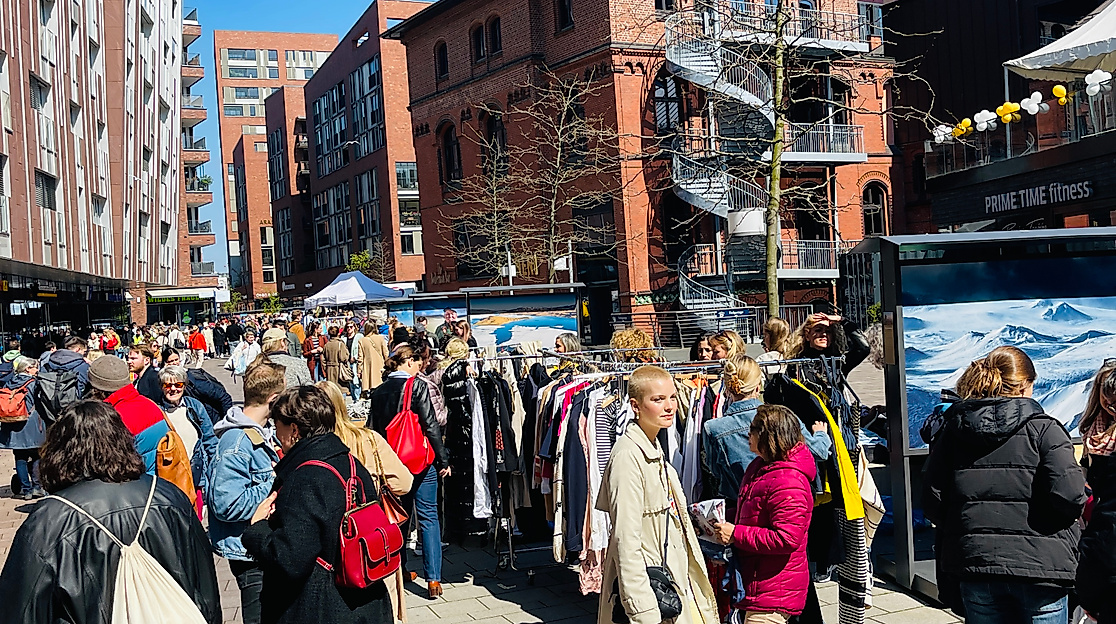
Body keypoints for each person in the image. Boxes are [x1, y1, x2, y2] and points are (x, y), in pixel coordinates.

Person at [0, 400, 222, 623]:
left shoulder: (49, 519)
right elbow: (205, 586)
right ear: (123, 441)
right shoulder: (168, 497)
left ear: (59, 451)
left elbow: (21, 607)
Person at [924, 346, 1086, 622]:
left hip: (976, 564)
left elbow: (932, 499)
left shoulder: (953, 430)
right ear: (1024, 386)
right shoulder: (1046, 429)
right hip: (1042, 569)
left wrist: (968, 527)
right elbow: (1070, 495)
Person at [242, 385, 393, 623]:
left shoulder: (305, 478)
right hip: (367, 598)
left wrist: (257, 529)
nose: (275, 434)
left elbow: (291, 559)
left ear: (293, 429)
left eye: (277, 426)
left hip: (324, 606)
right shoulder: (350, 462)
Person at [596, 365, 717, 624]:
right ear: (636, 405)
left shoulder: (653, 446)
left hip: (670, 581)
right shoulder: (628, 457)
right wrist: (642, 611)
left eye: (672, 397)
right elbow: (625, 540)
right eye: (658, 399)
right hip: (652, 591)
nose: (669, 406)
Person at [712, 405, 818, 624]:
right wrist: (719, 518)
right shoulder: (762, 466)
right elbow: (754, 512)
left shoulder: (788, 480)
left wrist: (736, 534)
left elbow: (786, 538)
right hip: (760, 584)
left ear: (767, 435)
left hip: (774, 590)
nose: (747, 435)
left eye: (752, 430)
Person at [319, 379, 414, 622]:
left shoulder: (310, 449)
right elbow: (404, 483)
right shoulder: (368, 439)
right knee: (384, 603)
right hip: (372, 541)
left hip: (329, 549)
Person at [368, 345, 450, 598]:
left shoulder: (379, 391)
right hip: (420, 462)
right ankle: (433, 579)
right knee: (428, 517)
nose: (420, 366)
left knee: (397, 517)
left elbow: (373, 428)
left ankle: (400, 569)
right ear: (408, 362)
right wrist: (443, 459)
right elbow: (430, 424)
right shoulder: (417, 386)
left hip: (392, 464)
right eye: (417, 361)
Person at [208, 362, 286, 624]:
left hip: (259, 546)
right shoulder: (237, 442)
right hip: (248, 553)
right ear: (273, 399)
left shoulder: (258, 434)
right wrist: (275, 482)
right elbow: (225, 504)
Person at [703, 355, 829, 503]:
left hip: (739, 506)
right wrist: (821, 434)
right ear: (758, 386)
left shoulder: (713, 428)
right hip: (783, 502)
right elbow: (819, 453)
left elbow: (716, 471)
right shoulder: (783, 416)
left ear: (727, 389)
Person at [1071, 360, 1116, 622]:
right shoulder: (1092, 429)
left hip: (1103, 539)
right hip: (1091, 527)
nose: (1110, 404)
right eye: (1105, 396)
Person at [89, 355, 169, 475]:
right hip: (158, 480)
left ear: (96, 389)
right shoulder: (149, 404)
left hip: (135, 484)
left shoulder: (111, 418)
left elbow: (109, 466)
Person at [160, 365, 218, 504]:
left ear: (184, 385)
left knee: (196, 518)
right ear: (162, 387)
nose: (173, 389)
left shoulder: (195, 406)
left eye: (178, 384)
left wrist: (215, 470)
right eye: (167, 385)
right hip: (171, 476)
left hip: (196, 474)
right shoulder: (158, 412)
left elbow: (210, 439)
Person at [0, 357, 46, 499]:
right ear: (28, 368)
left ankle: (26, 490)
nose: (37, 370)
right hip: (31, 423)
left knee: (20, 458)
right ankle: (37, 487)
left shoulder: (9, 382)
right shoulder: (33, 383)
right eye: (35, 367)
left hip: (12, 423)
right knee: (37, 456)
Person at [357, 321, 390, 397]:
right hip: (380, 367)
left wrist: (359, 370)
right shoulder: (380, 338)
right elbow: (386, 353)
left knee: (371, 390)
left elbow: (360, 358)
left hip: (368, 369)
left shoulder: (362, 340)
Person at [346, 322, 364, 402]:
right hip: (347, 363)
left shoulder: (359, 336)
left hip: (356, 363)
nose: (349, 328)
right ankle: (354, 399)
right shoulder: (343, 338)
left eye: (351, 327)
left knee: (356, 382)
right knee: (350, 382)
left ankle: (357, 400)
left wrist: (355, 357)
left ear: (354, 327)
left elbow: (362, 350)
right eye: (347, 327)